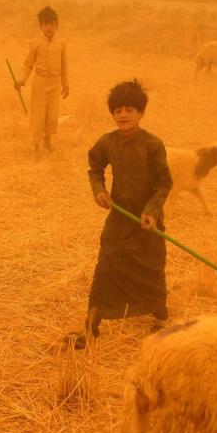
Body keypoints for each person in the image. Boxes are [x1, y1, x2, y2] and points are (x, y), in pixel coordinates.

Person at [74, 79, 172, 349]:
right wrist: (99, 191)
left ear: (140, 113)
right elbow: (94, 170)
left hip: (148, 221)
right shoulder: (107, 143)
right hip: (119, 217)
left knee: (150, 268)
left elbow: (164, 183)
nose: (123, 115)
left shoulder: (153, 145)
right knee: (107, 265)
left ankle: (159, 313)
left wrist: (152, 212)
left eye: (129, 109)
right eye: (117, 110)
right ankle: (92, 323)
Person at [14, 5, 69, 154]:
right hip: (40, 83)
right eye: (46, 24)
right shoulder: (35, 43)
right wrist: (21, 79)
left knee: (52, 116)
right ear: (41, 26)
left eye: (52, 24)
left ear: (56, 25)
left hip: (55, 83)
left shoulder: (61, 43)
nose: (49, 27)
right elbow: (28, 64)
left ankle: (48, 139)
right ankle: (36, 146)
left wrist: (66, 84)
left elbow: (64, 65)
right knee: (38, 116)